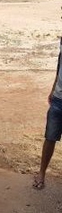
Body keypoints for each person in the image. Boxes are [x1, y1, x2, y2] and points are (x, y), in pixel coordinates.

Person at [33, 37, 62, 190]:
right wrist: (53, 88)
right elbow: (60, 65)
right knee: (49, 137)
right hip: (58, 99)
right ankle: (41, 174)